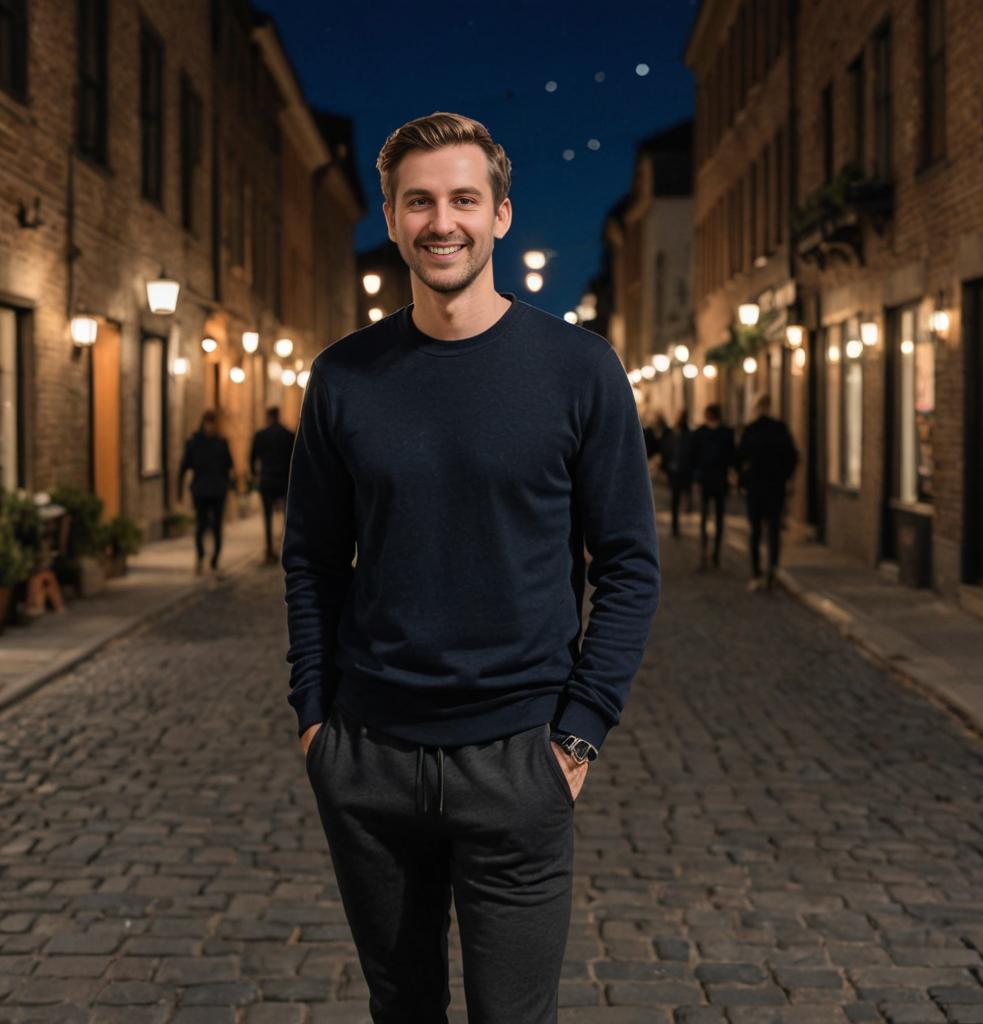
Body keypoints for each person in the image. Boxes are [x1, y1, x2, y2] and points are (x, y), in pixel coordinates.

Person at [282, 111, 660, 1024]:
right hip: (370, 757)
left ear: (499, 215)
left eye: (462, 198)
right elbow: (312, 560)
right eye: (418, 201)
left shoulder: (579, 369)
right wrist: (315, 720)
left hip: (519, 759)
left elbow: (629, 564)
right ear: (391, 214)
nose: (439, 221)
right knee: (401, 1008)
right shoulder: (345, 376)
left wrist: (578, 733)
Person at [736, 393, 798, 591]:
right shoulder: (779, 429)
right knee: (773, 530)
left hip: (756, 487)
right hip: (775, 487)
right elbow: (793, 456)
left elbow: (739, 458)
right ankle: (772, 569)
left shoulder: (751, 430)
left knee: (755, 531)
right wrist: (784, 477)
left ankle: (756, 572)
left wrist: (743, 481)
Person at [177, 410, 235, 575]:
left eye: (212, 423)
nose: (209, 426)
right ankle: (201, 555)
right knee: (201, 525)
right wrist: (179, 489)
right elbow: (184, 466)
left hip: (217, 490)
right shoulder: (194, 442)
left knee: (217, 527)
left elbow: (228, 466)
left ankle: (215, 558)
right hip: (201, 490)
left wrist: (231, 485)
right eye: (208, 423)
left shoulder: (221, 443)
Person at [689, 402, 734, 569]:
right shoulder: (721, 433)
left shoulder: (704, 433)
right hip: (713, 480)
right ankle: (708, 552)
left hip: (713, 480)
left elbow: (694, 458)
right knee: (710, 518)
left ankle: (712, 553)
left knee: (713, 518)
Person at [249, 407, 295, 562]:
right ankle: (286, 546)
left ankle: (269, 548)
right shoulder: (288, 435)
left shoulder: (260, 435)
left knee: (267, 516)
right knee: (287, 516)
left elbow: (252, 459)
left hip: (267, 480)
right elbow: (294, 460)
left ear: (268, 417)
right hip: (284, 480)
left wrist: (255, 475)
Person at [659, 409, 692, 538]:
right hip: (674, 471)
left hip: (683, 470)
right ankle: (675, 526)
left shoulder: (687, 434)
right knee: (675, 498)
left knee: (680, 497)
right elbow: (666, 449)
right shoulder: (671, 433)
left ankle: (677, 523)